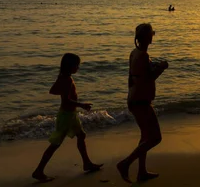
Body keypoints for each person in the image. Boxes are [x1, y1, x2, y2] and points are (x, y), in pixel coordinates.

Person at [32, 53, 103, 182]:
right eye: (76, 65)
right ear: (70, 66)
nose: (78, 68)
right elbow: (66, 101)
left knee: (81, 135)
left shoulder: (63, 77)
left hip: (71, 115)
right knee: (55, 144)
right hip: (65, 115)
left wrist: (64, 90)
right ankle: (38, 171)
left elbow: (52, 90)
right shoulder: (67, 79)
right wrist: (81, 104)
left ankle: (87, 163)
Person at [117, 23, 168, 183]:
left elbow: (133, 76)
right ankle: (125, 163)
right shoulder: (143, 56)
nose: (153, 36)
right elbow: (149, 77)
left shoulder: (135, 53)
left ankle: (142, 172)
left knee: (145, 136)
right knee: (155, 138)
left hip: (134, 98)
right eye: (151, 34)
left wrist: (129, 97)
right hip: (141, 101)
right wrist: (161, 67)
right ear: (147, 37)